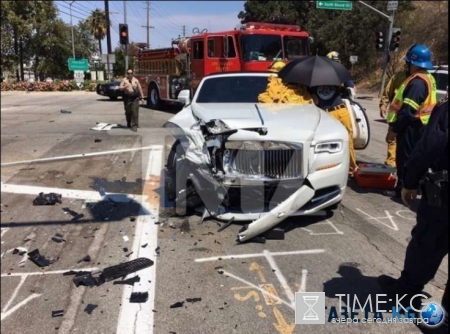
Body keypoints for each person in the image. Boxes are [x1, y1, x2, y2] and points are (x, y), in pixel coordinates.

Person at [378, 94, 448, 324]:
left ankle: (408, 295)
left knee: (427, 242)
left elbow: (429, 146)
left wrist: (409, 181)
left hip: (444, 198)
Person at [384, 44, 437, 198]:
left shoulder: (417, 83)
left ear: (413, 63)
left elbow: (407, 112)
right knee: (414, 158)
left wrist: (394, 130)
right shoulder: (428, 77)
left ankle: (402, 190)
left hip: (412, 128)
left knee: (405, 160)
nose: (406, 65)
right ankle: (415, 186)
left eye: (407, 62)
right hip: (421, 125)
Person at [309, 52, 358, 175]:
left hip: (326, 114)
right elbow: (352, 91)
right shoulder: (338, 74)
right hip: (340, 111)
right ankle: (352, 169)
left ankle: (332, 168)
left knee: (328, 144)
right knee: (347, 142)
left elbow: (315, 100)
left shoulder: (313, 79)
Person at [379, 69, 408, 168]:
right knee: (392, 138)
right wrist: (383, 106)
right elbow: (388, 91)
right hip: (396, 114)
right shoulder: (398, 76)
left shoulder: (418, 79)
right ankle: (391, 163)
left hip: (411, 116)